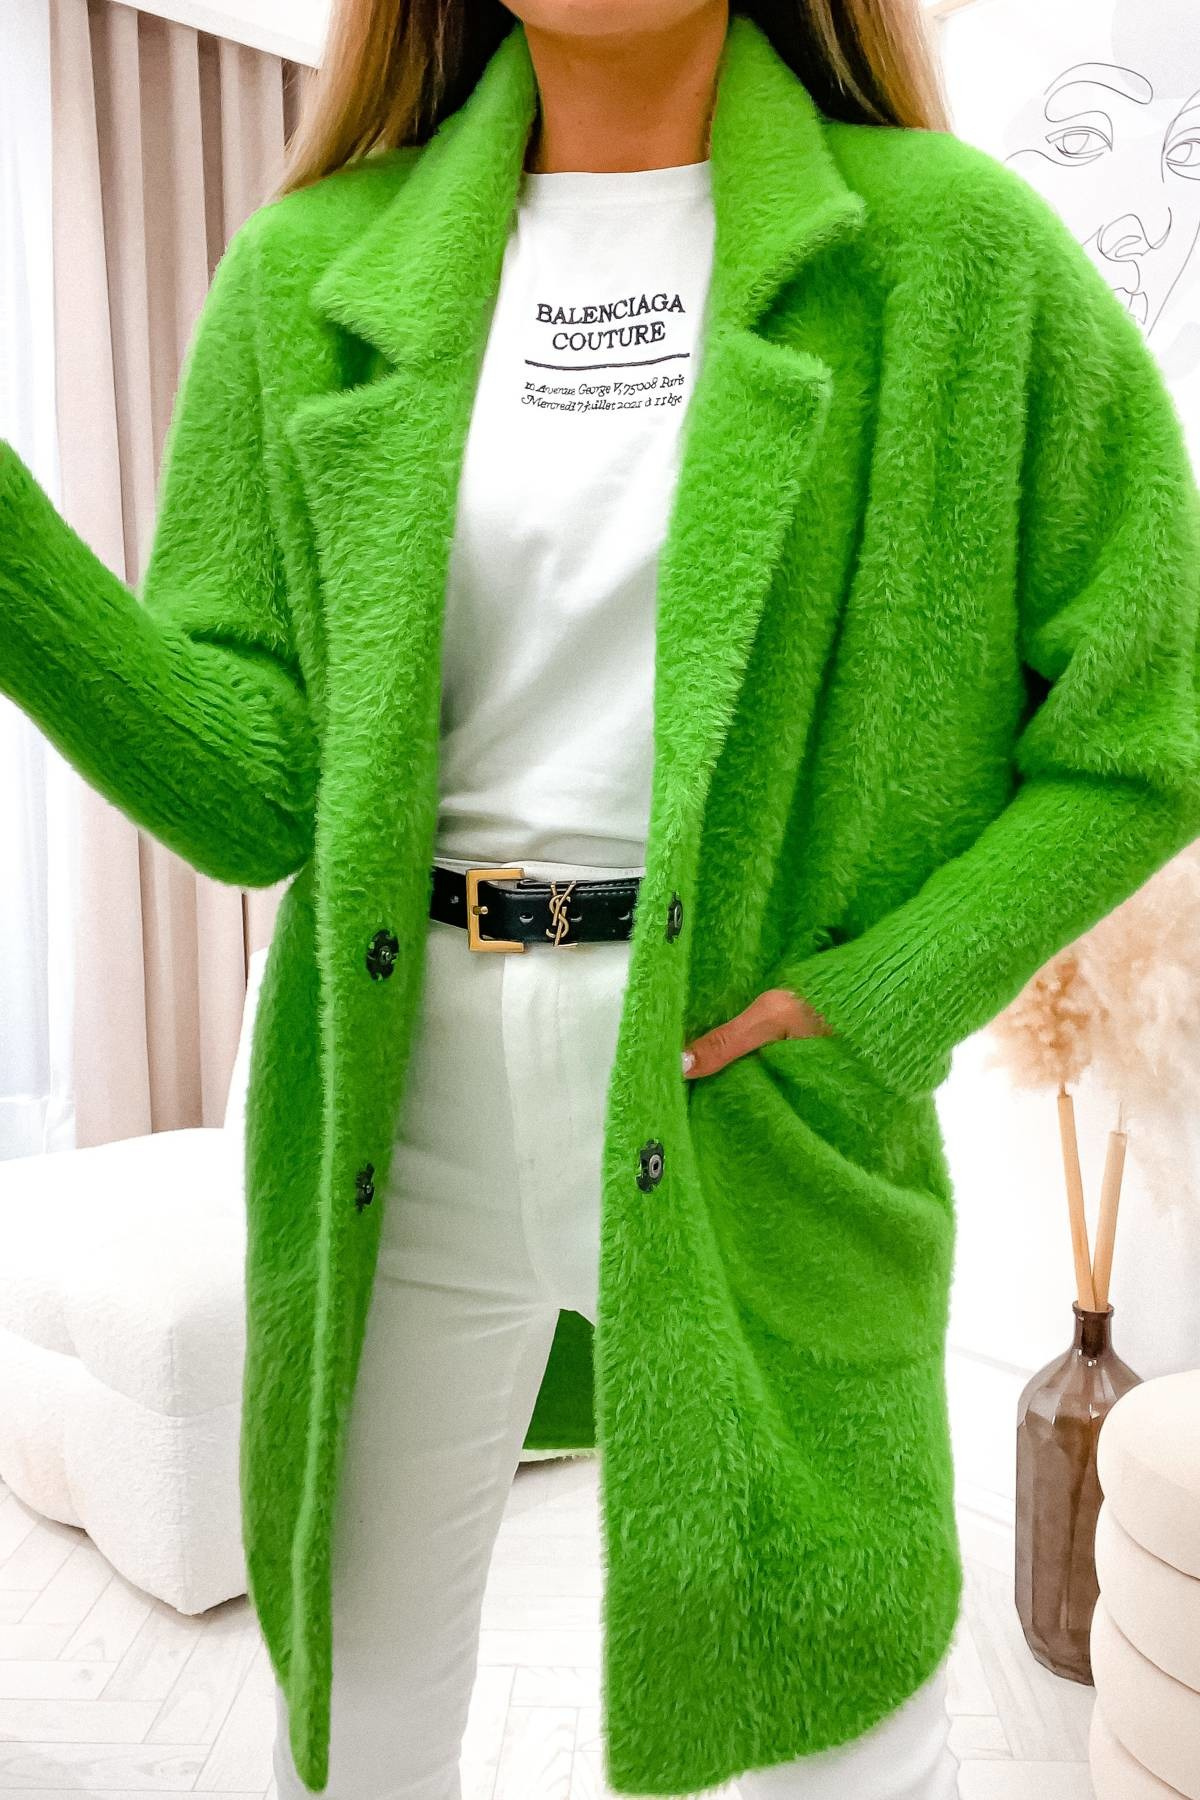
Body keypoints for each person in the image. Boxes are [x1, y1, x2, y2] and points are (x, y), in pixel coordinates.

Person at [3, 2, 1199, 1797]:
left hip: (752, 1102)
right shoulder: (310, 273)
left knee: (838, 1723)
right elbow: (251, 792)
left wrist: (878, 1001)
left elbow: (1145, 730)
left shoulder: (954, 256)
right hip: (395, 1098)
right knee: (355, 1723)